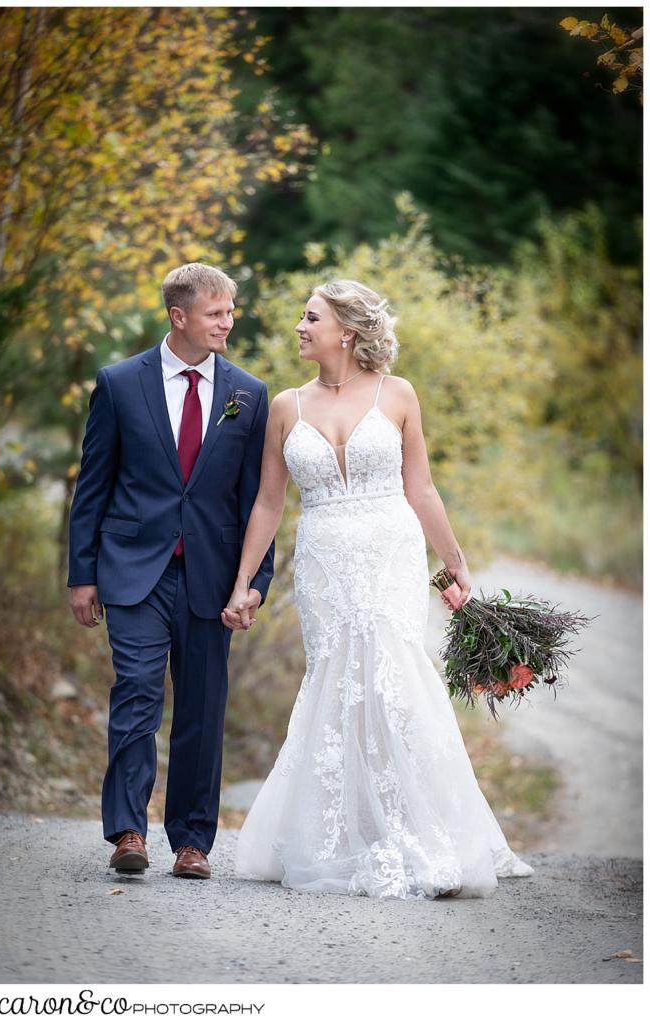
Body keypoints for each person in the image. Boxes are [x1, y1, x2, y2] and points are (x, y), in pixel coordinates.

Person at [223, 279, 534, 899]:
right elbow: (268, 501)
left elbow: (421, 489)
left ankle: (421, 828)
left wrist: (455, 567)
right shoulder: (286, 405)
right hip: (324, 559)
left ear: (349, 329)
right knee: (335, 680)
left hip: (389, 551)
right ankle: (344, 835)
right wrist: (243, 586)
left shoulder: (398, 395)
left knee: (394, 678)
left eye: (311, 318)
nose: (300, 327)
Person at [68, 263, 273, 878]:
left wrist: (253, 585)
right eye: (217, 313)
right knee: (135, 691)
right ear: (178, 316)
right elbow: (93, 486)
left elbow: (255, 501)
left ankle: (192, 841)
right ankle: (129, 829)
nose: (228, 323)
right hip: (134, 569)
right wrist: (83, 574)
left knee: (203, 707)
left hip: (211, 577)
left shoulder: (249, 393)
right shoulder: (119, 383)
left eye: (231, 312)